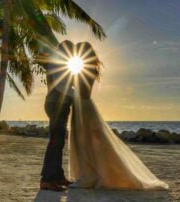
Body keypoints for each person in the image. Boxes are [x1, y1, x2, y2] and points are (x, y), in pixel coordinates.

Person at [68, 42, 169, 190]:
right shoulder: (88, 68)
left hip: (83, 106)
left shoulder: (85, 68)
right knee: (85, 142)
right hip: (81, 106)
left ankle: (89, 177)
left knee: (86, 142)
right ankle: (86, 175)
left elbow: (81, 89)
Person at [40, 40, 76, 192]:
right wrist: (76, 96)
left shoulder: (59, 63)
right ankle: (47, 180)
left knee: (59, 141)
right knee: (55, 142)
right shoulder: (57, 63)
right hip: (57, 104)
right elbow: (62, 86)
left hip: (58, 104)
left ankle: (57, 176)